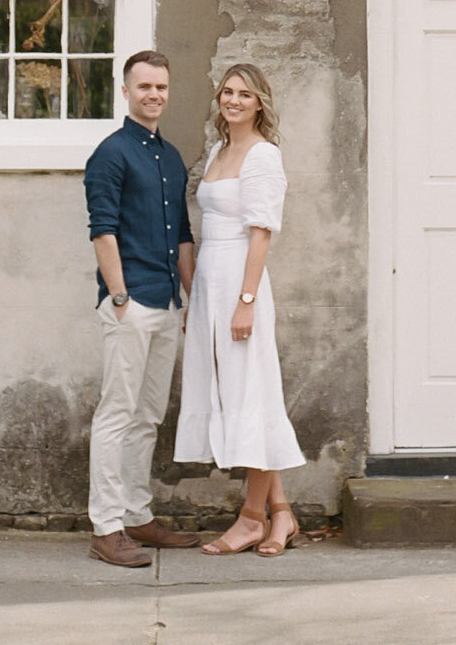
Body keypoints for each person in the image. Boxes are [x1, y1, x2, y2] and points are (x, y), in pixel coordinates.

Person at [174, 63, 305, 556]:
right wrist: (198, 299)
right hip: (211, 279)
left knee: (251, 395)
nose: (232, 100)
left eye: (244, 95)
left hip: (239, 281)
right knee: (234, 395)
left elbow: (261, 233)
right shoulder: (218, 150)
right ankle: (283, 515)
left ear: (259, 104)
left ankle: (252, 518)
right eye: (227, 92)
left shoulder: (263, 156)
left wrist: (245, 302)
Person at [83, 50, 203, 568]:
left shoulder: (172, 157)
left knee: (148, 416)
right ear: (125, 91)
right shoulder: (110, 154)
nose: (154, 95)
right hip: (129, 303)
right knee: (117, 413)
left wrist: (190, 298)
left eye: (161, 87)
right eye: (144, 87)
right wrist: (119, 296)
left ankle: (137, 514)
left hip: (167, 304)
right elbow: (102, 229)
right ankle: (106, 527)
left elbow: (183, 235)